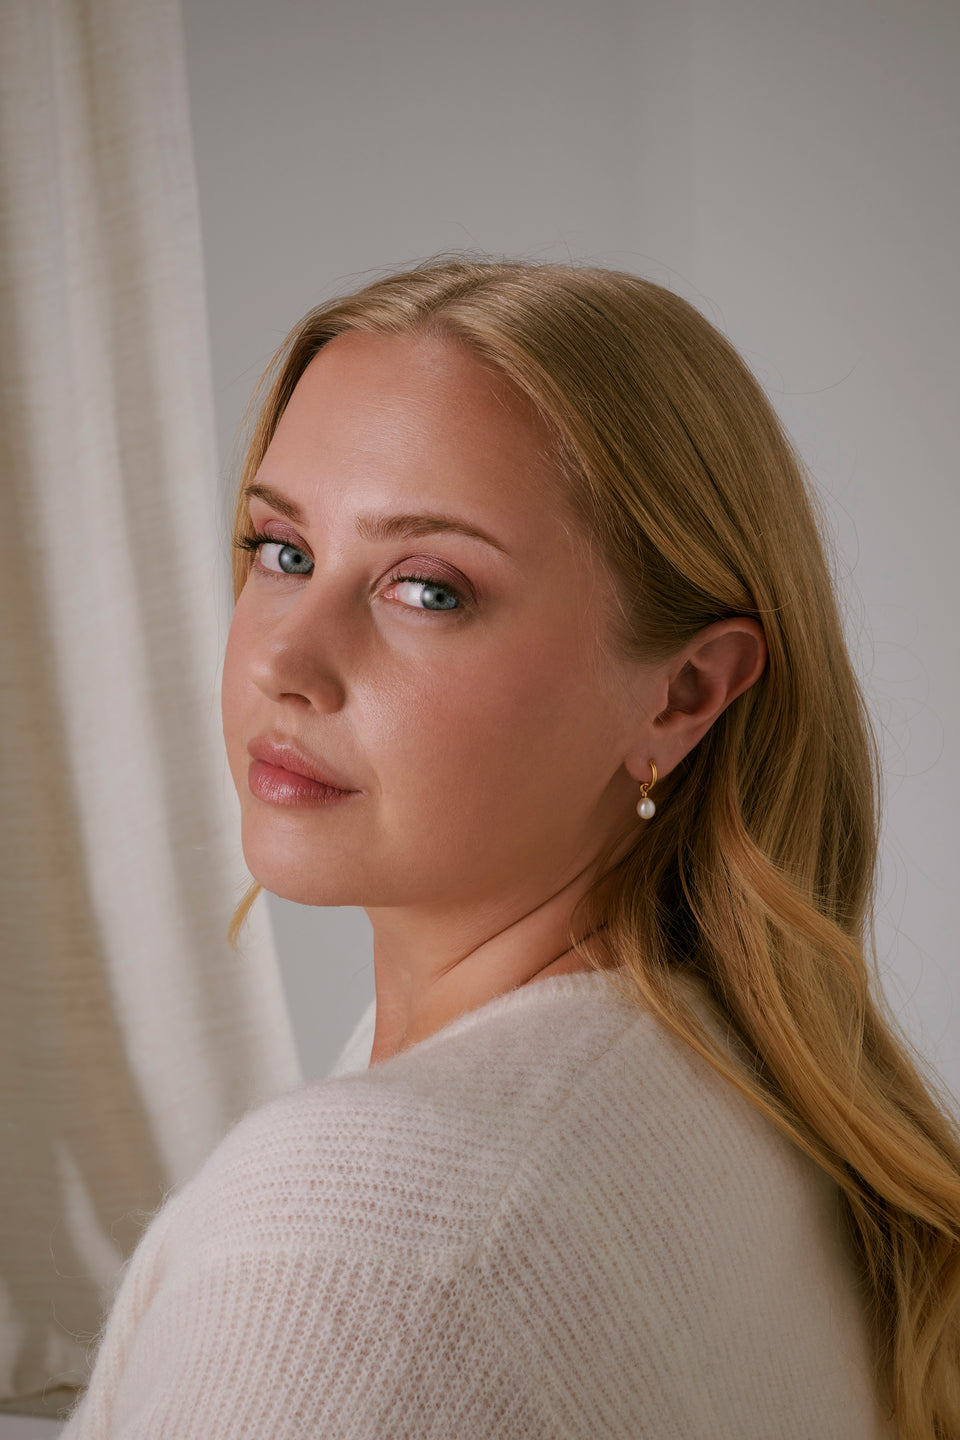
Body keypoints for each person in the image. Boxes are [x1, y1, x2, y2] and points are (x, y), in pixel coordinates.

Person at [60, 258, 960, 1439]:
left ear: (684, 692)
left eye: (427, 589)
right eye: (283, 551)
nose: (286, 658)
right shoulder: (751, 1103)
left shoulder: (365, 1236)